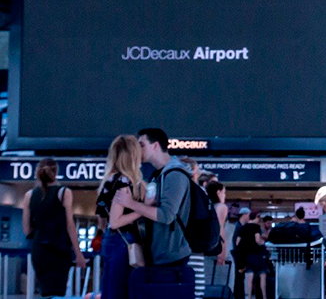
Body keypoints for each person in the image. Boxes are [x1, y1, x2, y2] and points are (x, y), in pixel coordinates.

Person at [114, 128, 196, 292]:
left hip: (171, 256)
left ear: (155, 146)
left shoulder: (175, 175)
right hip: (160, 254)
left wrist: (130, 204)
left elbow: (166, 216)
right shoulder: (158, 175)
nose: (138, 149)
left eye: (142, 145)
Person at [23, 158, 87, 297]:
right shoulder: (64, 192)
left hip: (39, 250)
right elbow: (69, 225)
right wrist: (78, 253)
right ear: (56, 172)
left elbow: (27, 229)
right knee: (58, 292)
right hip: (59, 249)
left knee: (46, 292)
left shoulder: (29, 195)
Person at [97, 135, 147, 299]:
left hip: (110, 241)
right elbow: (115, 221)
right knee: (121, 291)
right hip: (122, 242)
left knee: (110, 289)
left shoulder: (108, 182)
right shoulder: (124, 184)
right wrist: (143, 209)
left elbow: (102, 218)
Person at [233, 211, 269, 299]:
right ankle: (264, 297)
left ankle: (248, 296)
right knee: (262, 275)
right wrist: (263, 243)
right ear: (257, 217)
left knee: (249, 276)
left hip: (247, 256)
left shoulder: (243, 227)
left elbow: (237, 243)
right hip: (257, 254)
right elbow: (257, 240)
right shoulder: (256, 227)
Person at [205, 181, 230, 292]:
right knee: (218, 281)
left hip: (205, 246)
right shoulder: (221, 207)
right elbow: (220, 228)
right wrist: (223, 249)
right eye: (224, 192)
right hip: (215, 247)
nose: (225, 195)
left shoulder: (207, 206)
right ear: (218, 192)